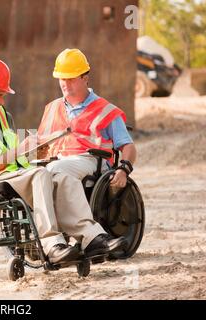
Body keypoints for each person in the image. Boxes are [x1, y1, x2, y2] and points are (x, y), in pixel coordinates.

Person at [0, 57, 109, 263]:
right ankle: (52, 244)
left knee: (60, 174)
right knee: (40, 174)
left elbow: (13, 155)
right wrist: (19, 151)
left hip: (13, 174)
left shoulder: (2, 115)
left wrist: (36, 152)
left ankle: (89, 237)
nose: (2, 101)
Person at [37, 48, 136, 257]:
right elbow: (41, 147)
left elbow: (128, 146)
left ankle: (75, 239)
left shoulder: (106, 110)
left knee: (54, 171)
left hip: (91, 161)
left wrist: (124, 170)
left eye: (71, 78)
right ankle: (77, 240)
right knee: (44, 174)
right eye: (61, 78)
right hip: (58, 163)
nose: (65, 83)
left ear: (85, 78)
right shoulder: (52, 108)